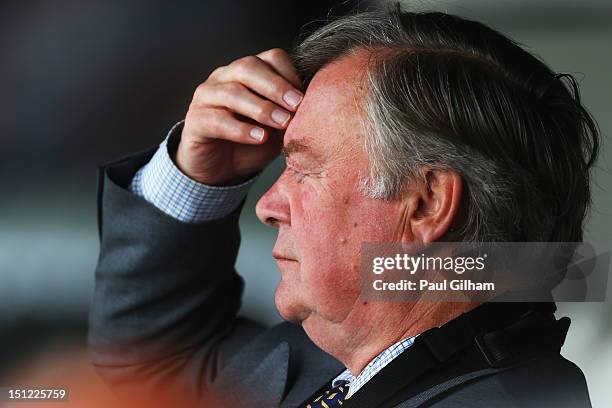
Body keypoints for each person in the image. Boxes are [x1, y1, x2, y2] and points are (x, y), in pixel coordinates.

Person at [88, 6, 599, 407]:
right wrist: (196, 177)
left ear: (426, 205)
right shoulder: (336, 360)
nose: (267, 205)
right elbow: (152, 363)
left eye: (304, 166)